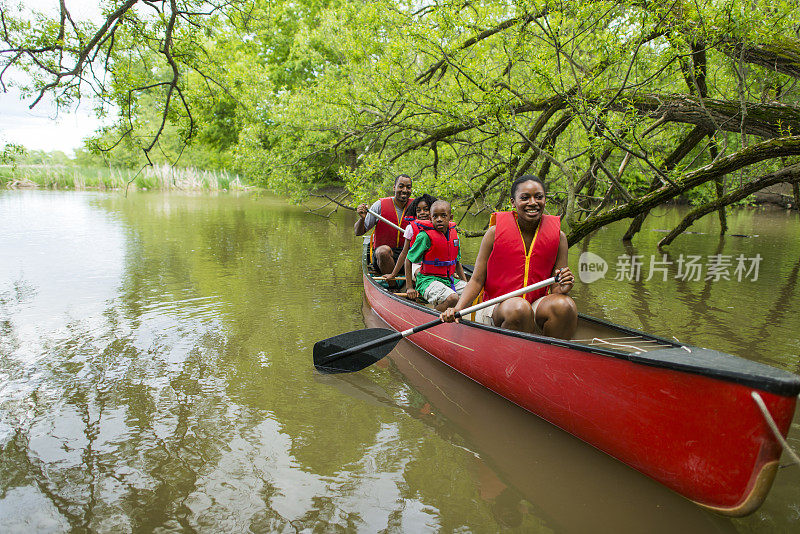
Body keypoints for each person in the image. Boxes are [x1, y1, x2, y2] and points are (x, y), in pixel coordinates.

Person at [441, 175, 577, 339]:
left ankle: (552, 357)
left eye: (539, 197)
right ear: (513, 202)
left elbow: (556, 288)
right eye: (525, 198)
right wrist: (458, 308)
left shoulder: (559, 238)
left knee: (565, 305)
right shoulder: (494, 233)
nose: (533, 202)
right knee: (519, 308)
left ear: (545, 200)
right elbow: (476, 280)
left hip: (533, 306)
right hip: (495, 307)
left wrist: (563, 288)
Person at [405, 200, 468, 311]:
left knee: (473, 292)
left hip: (448, 280)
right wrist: (410, 288)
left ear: (450, 217)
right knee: (452, 298)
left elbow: (457, 262)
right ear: (430, 218)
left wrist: (466, 284)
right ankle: (434, 317)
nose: (439, 219)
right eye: (435, 216)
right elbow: (408, 260)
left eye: (443, 216)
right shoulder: (424, 236)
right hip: (427, 281)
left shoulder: (454, 235)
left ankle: (455, 315)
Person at [355, 174, 414, 275]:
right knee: (383, 251)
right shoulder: (379, 205)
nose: (404, 190)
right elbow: (358, 232)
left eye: (408, 187)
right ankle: (392, 286)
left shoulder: (416, 206)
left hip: (408, 255)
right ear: (394, 187)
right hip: (384, 257)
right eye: (401, 186)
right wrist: (362, 219)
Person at [382, 193, 437, 285]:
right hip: (416, 265)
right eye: (418, 211)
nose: (422, 213)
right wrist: (393, 274)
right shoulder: (411, 228)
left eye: (426, 210)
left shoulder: (440, 227)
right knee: (422, 274)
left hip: (434, 264)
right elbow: (404, 253)